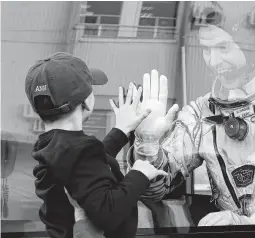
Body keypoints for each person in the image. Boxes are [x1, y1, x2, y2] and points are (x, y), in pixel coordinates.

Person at [127, 1, 255, 226]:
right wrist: (148, 145)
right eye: (206, 49)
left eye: (223, 48)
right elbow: (153, 193)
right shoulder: (202, 111)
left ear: (254, 45)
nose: (214, 62)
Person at [25, 52, 168, 238]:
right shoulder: (79, 150)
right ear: (85, 101)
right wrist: (139, 174)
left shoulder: (50, 146)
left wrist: (120, 131)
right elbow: (107, 213)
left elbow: (85, 172)